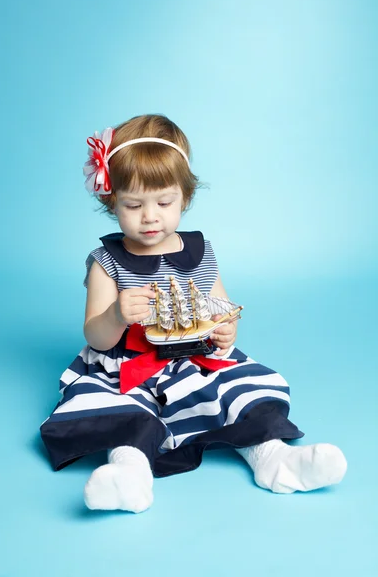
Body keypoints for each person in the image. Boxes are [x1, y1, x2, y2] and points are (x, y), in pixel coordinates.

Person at [40, 114, 347, 513]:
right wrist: (116, 314)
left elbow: (220, 308)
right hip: (128, 366)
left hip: (192, 356)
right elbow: (97, 335)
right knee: (125, 411)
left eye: (164, 202)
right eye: (133, 205)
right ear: (111, 201)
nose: (150, 216)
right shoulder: (106, 262)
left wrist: (225, 331)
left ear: (185, 197)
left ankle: (275, 460)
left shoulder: (199, 252)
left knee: (232, 395)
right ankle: (129, 476)